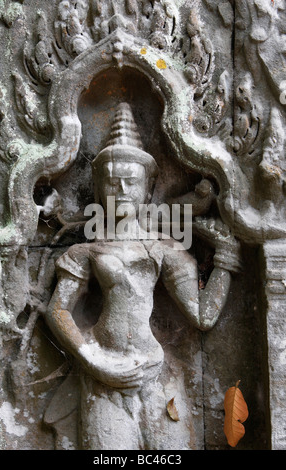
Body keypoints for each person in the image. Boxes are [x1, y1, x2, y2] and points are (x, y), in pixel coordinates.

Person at [44, 102, 241, 450]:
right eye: (111, 181)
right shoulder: (86, 252)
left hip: (154, 374)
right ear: (98, 187)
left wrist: (225, 259)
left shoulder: (165, 249)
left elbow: (203, 316)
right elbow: (57, 310)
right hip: (103, 371)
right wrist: (92, 358)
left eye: (129, 182)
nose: (120, 189)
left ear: (147, 188)